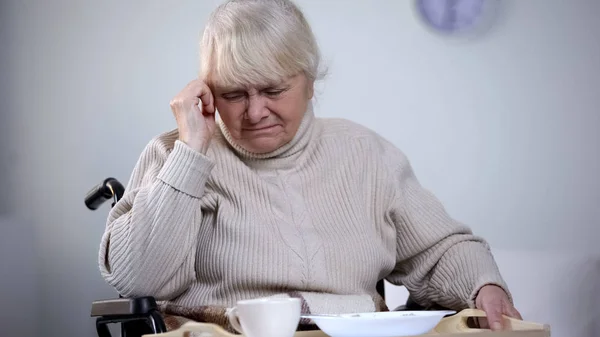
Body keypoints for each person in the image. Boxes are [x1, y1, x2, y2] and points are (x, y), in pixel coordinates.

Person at [98, 0, 522, 332]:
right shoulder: (175, 153)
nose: (255, 111)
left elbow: (437, 249)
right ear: (207, 91)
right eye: (233, 94)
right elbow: (140, 282)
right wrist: (190, 154)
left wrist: (482, 284)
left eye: (272, 90)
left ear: (310, 81)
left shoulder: (365, 154)